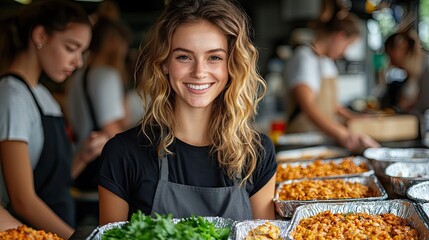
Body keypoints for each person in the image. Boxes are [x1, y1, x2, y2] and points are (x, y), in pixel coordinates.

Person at [98, 0, 277, 224]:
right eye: (184, 56)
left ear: (231, 65)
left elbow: (265, 236)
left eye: (214, 57)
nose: (199, 72)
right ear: (164, 63)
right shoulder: (123, 153)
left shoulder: (256, 153)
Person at [0, 0, 108, 238]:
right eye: (71, 48)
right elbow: (22, 200)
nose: (78, 62)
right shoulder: (12, 96)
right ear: (40, 36)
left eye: (83, 52)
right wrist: (77, 237)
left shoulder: (44, 96)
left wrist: (84, 155)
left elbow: (52, 181)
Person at [283, 12, 380, 153]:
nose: (344, 52)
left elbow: (332, 105)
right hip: (303, 141)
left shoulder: (326, 61)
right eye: (347, 45)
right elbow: (308, 107)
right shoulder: (304, 58)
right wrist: (340, 132)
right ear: (339, 36)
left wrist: (355, 118)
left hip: (323, 139)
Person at [67, 16, 132, 191]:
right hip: (100, 166)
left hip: (80, 162)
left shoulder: (77, 76)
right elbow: (111, 129)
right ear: (113, 43)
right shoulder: (107, 76)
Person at [381, 30, 429, 115]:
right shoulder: (412, 77)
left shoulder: (426, 70)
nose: (391, 63)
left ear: (401, 48)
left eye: (390, 56)